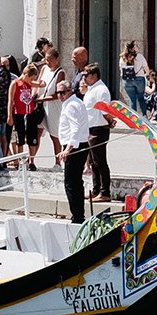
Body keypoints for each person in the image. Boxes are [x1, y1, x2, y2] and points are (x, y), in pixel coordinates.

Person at [56, 67, 97, 223]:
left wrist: (67, 150)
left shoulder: (72, 105)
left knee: (71, 183)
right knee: (75, 182)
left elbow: (75, 130)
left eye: (63, 93)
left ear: (70, 91)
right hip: (79, 145)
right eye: (58, 93)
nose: (60, 96)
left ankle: (77, 216)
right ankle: (79, 214)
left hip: (74, 147)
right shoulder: (75, 102)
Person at [81, 64, 115, 203]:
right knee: (94, 162)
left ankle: (105, 191)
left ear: (94, 76)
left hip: (98, 129)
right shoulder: (91, 89)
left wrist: (110, 121)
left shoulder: (101, 90)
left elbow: (104, 110)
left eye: (86, 75)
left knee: (100, 162)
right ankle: (96, 190)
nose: (84, 78)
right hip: (90, 128)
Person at [8, 64, 41, 167]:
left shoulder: (30, 83)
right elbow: (10, 100)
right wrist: (10, 115)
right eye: (30, 78)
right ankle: (21, 161)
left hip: (30, 113)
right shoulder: (15, 83)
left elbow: (42, 84)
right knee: (20, 139)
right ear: (26, 74)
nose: (31, 80)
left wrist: (34, 82)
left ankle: (31, 161)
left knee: (32, 138)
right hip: (19, 114)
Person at [118, 41, 151, 116]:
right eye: (136, 46)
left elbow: (121, 70)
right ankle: (144, 115)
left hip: (127, 80)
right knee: (141, 98)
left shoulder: (122, 57)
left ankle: (134, 117)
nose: (138, 47)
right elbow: (146, 67)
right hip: (139, 79)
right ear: (133, 48)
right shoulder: (139, 56)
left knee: (132, 99)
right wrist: (147, 74)